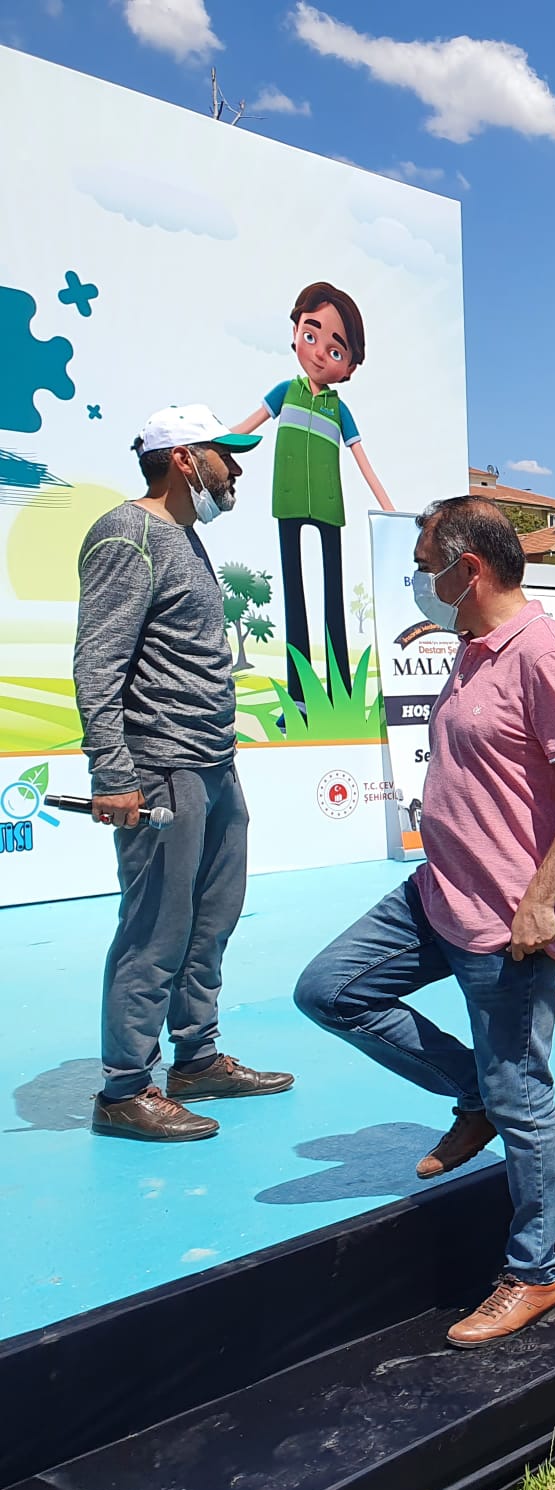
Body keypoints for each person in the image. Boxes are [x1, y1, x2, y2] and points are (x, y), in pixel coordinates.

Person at [294, 496, 555, 1347]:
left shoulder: (544, 654)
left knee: (525, 1098)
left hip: (509, 916)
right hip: (437, 892)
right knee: (330, 990)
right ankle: (467, 1093)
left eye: (426, 562)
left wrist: (544, 897)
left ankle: (536, 1273)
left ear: (467, 570)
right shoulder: (476, 649)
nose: (420, 580)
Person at [76, 405, 295, 1141]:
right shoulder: (126, 534)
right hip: (159, 765)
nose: (234, 469)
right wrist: (113, 769)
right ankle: (124, 1089)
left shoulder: (185, 537)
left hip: (213, 764)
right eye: (222, 455)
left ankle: (195, 1057)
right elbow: (98, 660)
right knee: (155, 928)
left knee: (211, 918)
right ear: (182, 458)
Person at [234, 282, 395, 707]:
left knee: (333, 603)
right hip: (287, 501)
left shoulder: (338, 408)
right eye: (311, 335)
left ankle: (340, 694)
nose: (321, 352)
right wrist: (210, 444)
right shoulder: (284, 393)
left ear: (350, 368)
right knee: (295, 599)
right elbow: (244, 427)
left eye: (336, 350)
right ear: (295, 332)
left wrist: (390, 511)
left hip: (328, 506)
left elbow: (363, 461)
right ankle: (301, 697)